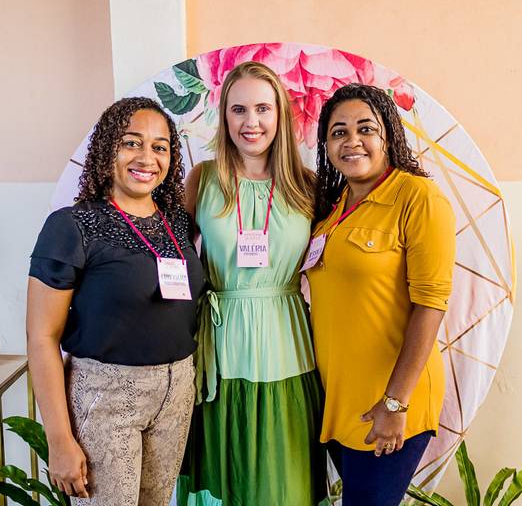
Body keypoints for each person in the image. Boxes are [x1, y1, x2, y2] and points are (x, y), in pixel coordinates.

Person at [26, 97, 205, 505]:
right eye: (131, 142)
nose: (147, 158)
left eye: (159, 147)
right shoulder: (72, 226)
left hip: (176, 392)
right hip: (106, 394)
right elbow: (41, 338)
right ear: (108, 147)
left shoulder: (177, 221)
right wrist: (59, 439)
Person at [177, 61, 326, 505]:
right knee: (226, 479)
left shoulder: (308, 186)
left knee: (285, 483)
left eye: (263, 108)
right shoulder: (203, 178)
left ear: (280, 114)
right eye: (238, 109)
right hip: (220, 348)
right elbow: (173, 259)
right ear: (224, 116)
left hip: (288, 343)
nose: (251, 122)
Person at [305, 83, 456, 505]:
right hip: (339, 399)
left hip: (387, 401)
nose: (352, 141)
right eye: (338, 132)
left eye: (365, 129)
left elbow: (431, 304)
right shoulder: (334, 208)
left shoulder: (419, 197)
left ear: (388, 136)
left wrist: (395, 403)